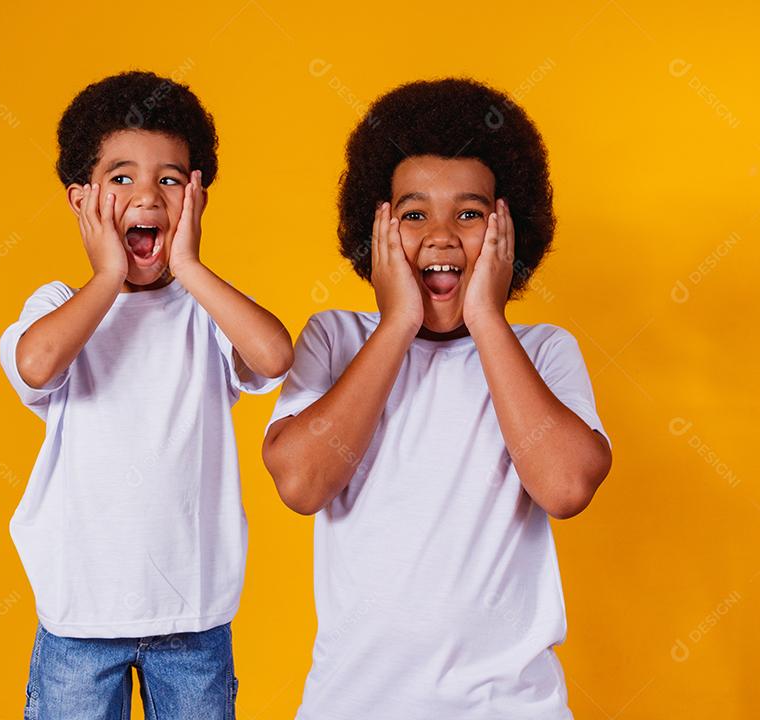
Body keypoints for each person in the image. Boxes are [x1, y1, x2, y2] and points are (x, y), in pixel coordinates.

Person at [262, 77, 613, 719]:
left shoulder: (541, 350)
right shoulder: (337, 339)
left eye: (471, 214)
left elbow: (565, 487)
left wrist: (487, 321)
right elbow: (300, 484)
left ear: (509, 231)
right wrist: (396, 323)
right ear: (376, 229)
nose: (442, 235)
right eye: (414, 214)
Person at [0, 70, 293, 719]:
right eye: (122, 177)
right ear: (81, 201)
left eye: (170, 179)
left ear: (198, 200)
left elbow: (273, 354)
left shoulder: (203, 312)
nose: (147, 196)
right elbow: (38, 364)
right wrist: (108, 274)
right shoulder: (58, 307)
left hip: (194, 618)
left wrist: (188, 266)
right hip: (79, 618)